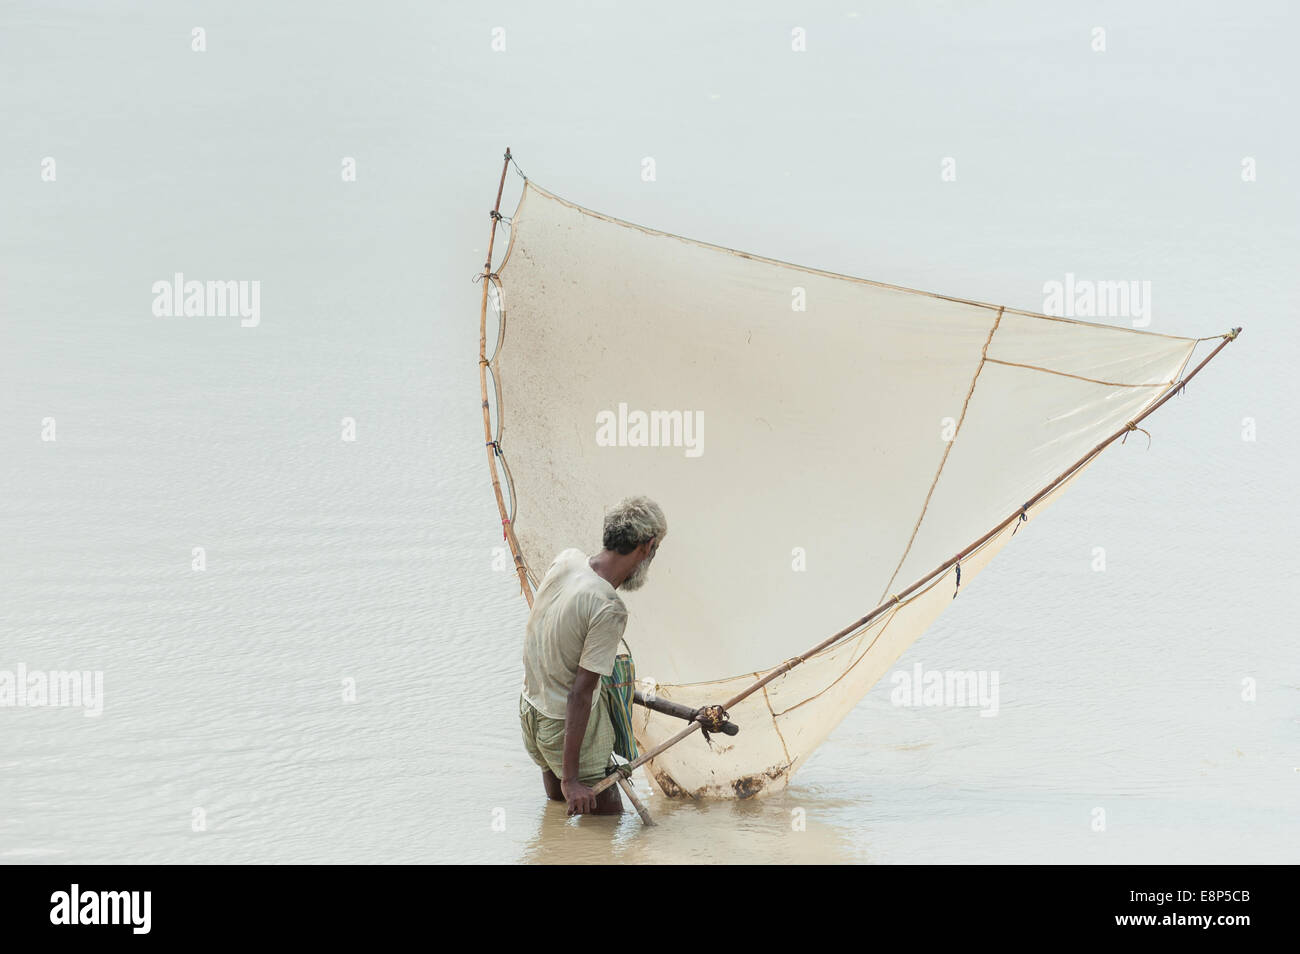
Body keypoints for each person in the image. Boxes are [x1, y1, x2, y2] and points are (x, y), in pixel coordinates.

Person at [519, 495, 667, 816]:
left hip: (530, 710)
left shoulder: (568, 560)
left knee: (560, 811)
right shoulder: (608, 606)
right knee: (608, 823)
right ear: (647, 546)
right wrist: (572, 779)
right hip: (562, 723)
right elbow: (581, 692)